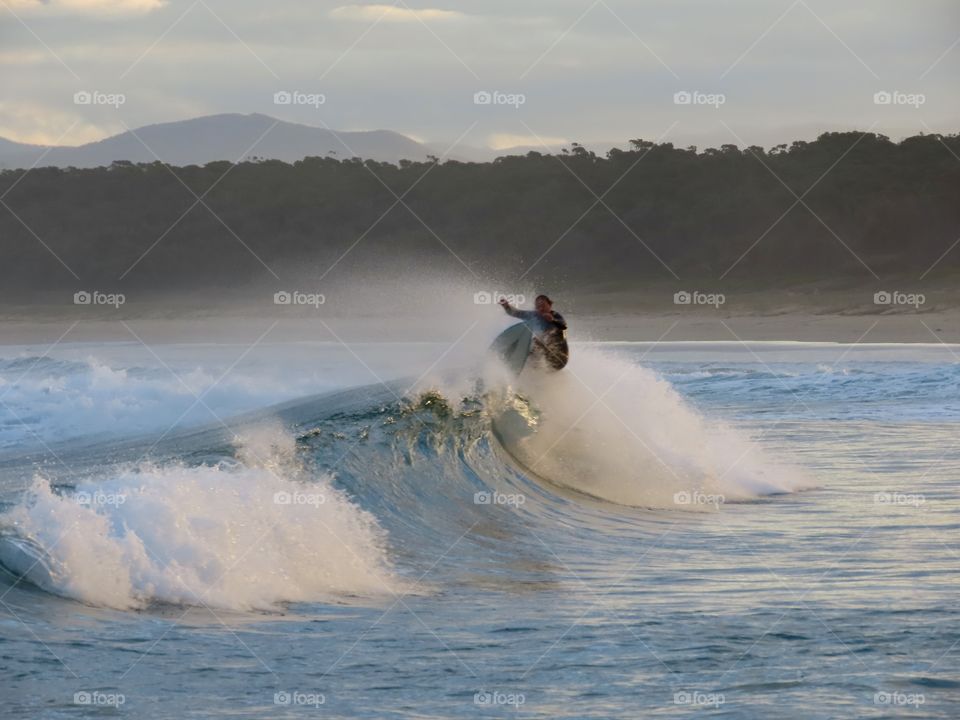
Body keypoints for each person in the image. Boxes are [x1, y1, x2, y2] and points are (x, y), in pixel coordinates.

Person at [499, 294, 569, 370]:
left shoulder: (556, 316)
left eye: (543, 306)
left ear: (550, 305)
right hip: (545, 361)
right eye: (538, 307)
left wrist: (553, 320)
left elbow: (564, 327)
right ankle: (508, 363)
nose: (541, 309)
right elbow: (516, 313)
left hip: (559, 359)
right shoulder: (534, 315)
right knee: (526, 342)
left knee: (536, 340)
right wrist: (507, 306)